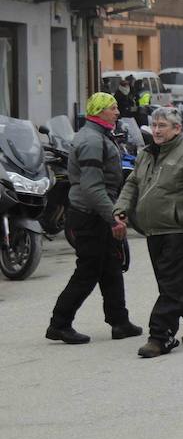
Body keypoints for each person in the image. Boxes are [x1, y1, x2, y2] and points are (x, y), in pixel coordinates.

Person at [113, 106, 183, 358]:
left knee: (171, 287)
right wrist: (121, 208)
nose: (157, 130)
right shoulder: (147, 153)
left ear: (177, 129)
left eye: (163, 126)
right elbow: (132, 183)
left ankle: (161, 337)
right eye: (155, 125)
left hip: (180, 231)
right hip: (154, 230)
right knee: (173, 284)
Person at [47, 93, 142, 345]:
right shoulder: (91, 140)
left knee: (111, 268)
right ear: (99, 111)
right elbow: (92, 187)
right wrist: (113, 218)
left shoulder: (100, 135)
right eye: (112, 108)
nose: (117, 112)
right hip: (89, 216)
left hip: (98, 213)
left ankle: (119, 322)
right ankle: (59, 324)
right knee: (88, 271)